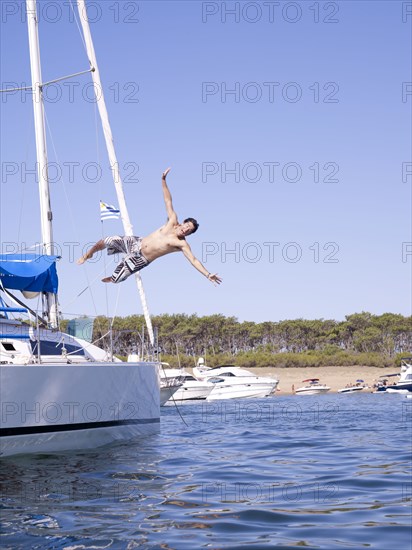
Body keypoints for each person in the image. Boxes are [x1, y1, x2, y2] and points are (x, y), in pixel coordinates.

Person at [77, 168, 222, 285]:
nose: (185, 230)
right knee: (106, 240)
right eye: (186, 226)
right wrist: (163, 180)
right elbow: (167, 200)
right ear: (183, 223)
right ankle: (89, 254)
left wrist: (208, 274)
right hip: (136, 243)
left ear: (189, 234)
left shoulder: (181, 244)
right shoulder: (172, 220)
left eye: (189, 231)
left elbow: (194, 260)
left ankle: (114, 277)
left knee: (117, 279)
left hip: (141, 259)